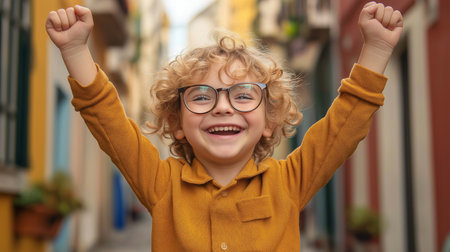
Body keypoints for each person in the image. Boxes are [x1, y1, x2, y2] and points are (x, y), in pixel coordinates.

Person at [45, 1, 403, 251]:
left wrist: (376, 49)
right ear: (177, 123)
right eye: (201, 97)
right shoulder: (161, 183)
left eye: (243, 96)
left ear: (269, 121)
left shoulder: (290, 182)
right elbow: (108, 120)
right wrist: (76, 50)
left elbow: (344, 125)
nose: (222, 107)